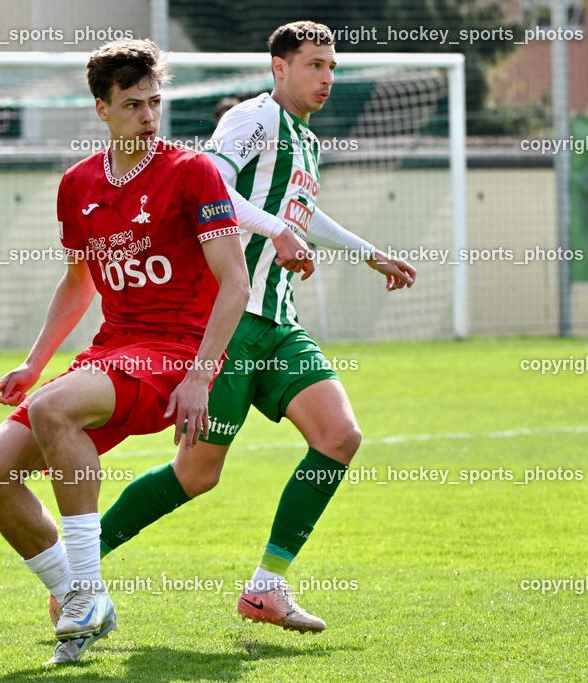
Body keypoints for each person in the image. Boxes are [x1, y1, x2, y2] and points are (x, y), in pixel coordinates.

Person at [93, 21, 418, 633]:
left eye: (331, 68)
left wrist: (367, 250)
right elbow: (209, 184)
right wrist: (274, 231)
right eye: (313, 65)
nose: (325, 78)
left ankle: (267, 588)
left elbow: (299, 210)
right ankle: (80, 569)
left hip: (279, 323)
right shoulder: (254, 119)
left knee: (339, 437)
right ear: (279, 67)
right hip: (229, 320)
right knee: (196, 475)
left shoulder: (307, 140)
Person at [0, 38, 266, 665]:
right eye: (133, 105)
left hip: (177, 353)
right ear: (101, 108)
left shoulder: (193, 172)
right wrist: (34, 362)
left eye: (155, 102)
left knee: (54, 413)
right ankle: (83, 596)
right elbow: (78, 283)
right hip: (113, 352)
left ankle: (84, 594)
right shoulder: (77, 185)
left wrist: (201, 377)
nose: (149, 116)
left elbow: (235, 282)